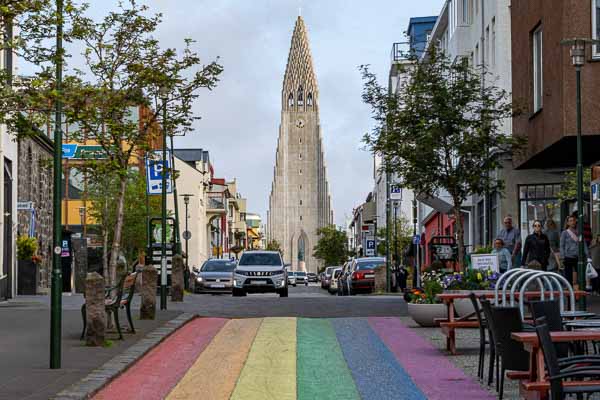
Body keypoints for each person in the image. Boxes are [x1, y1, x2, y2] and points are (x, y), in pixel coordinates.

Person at [560, 215, 589, 286]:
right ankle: (570, 294)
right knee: (568, 277)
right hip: (568, 257)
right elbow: (561, 245)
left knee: (580, 276)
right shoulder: (565, 233)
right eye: (570, 221)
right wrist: (563, 256)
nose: (572, 222)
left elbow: (584, 243)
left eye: (573, 220)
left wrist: (587, 255)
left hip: (578, 257)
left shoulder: (579, 232)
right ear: (567, 223)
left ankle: (579, 292)